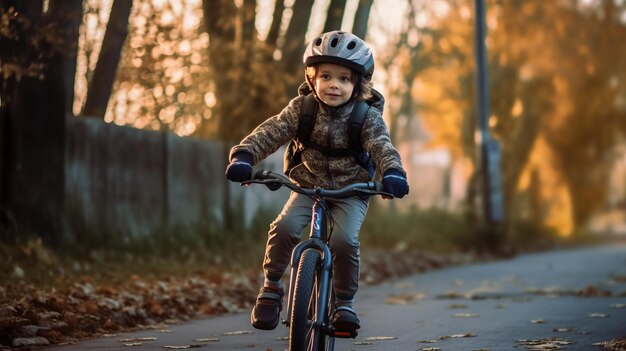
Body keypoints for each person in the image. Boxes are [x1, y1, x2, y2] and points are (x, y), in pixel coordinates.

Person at [224, 31, 409, 332]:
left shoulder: (367, 117)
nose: (334, 84)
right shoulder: (302, 109)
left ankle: (344, 303)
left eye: (344, 79)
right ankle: (271, 287)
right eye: (326, 76)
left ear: (358, 85)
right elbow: (270, 132)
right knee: (283, 227)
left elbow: (382, 146)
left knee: (344, 240)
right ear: (312, 79)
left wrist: (393, 174)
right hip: (307, 185)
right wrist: (244, 156)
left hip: (352, 190)